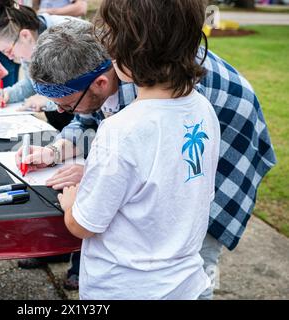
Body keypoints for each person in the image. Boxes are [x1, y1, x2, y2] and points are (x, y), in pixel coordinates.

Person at [21, 6, 277, 297]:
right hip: (199, 128)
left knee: (199, 238)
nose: (62, 111)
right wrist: (55, 151)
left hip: (233, 137)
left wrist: (97, 173)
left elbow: (147, 158)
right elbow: (89, 118)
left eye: (66, 105)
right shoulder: (133, 66)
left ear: (103, 81)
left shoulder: (139, 87)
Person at [54, 0, 221, 299]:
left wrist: (72, 202)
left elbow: (84, 225)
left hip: (125, 289)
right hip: (187, 286)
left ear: (126, 52)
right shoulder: (203, 109)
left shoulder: (120, 130)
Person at [0, 0, 79, 131]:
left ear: (25, 35)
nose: (10, 57)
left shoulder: (65, 36)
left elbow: (83, 89)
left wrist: (49, 101)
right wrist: (9, 94)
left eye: (8, 51)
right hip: (63, 123)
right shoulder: (29, 43)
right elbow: (31, 83)